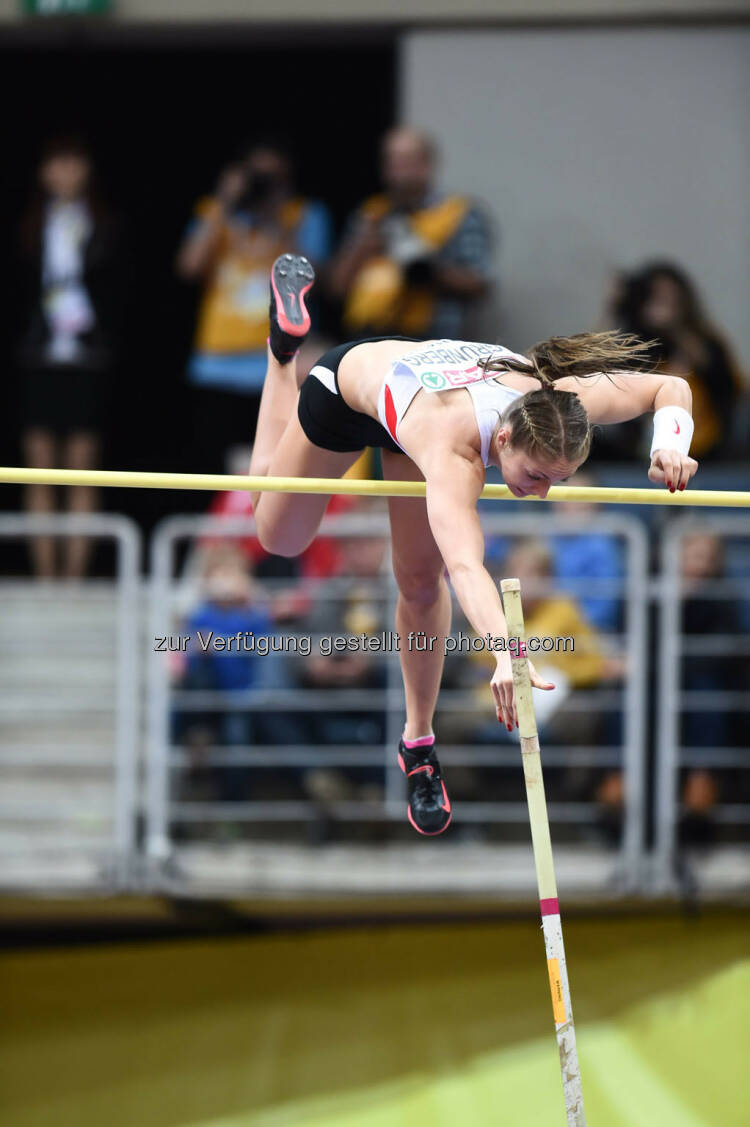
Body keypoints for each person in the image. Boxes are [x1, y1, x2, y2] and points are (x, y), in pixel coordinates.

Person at [248, 252, 699, 837]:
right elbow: (467, 564)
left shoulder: (561, 400)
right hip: (349, 389)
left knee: (416, 577)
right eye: (535, 476)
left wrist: (669, 442)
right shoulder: (454, 451)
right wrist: (508, 654)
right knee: (277, 535)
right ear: (503, 437)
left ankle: (418, 745)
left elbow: (670, 385)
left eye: (556, 481)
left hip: (415, 394)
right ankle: (282, 356)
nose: (539, 495)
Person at [176, 140, 332, 471]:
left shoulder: (304, 214)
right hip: (217, 361)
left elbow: (310, 276)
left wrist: (277, 217)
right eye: (257, 176)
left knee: (278, 464)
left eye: (272, 177)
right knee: (217, 468)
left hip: (280, 361)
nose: (263, 184)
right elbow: (189, 266)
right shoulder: (216, 212)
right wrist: (223, 201)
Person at [15, 135, 127, 578]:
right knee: (38, 471)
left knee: (82, 470)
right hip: (38, 356)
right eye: (56, 163)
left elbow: (118, 287)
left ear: (87, 170)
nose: (65, 172)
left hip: (87, 357)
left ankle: (74, 581)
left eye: (73, 162)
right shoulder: (27, 224)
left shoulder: (104, 223)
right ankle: (46, 580)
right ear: (44, 171)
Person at [328, 127, 491, 341]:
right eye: (392, 162)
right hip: (372, 339)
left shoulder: (459, 214)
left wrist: (424, 267)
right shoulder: (371, 214)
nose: (399, 173)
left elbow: (480, 284)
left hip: (435, 342)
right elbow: (336, 288)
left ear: (427, 165)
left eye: (407, 162)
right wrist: (363, 248)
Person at [608, 261, 744, 460]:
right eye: (656, 298)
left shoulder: (702, 340)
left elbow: (724, 380)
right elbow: (600, 369)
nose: (663, 305)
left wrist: (675, 326)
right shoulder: (632, 343)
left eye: (672, 299)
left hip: (706, 445)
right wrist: (615, 308)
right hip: (636, 445)